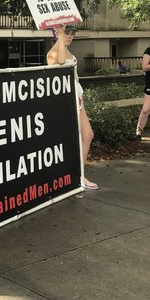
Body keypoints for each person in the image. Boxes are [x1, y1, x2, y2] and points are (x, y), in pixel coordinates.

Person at [47, 24, 99, 190]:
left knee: (88, 134)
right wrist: (60, 36)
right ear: (57, 32)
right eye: (67, 33)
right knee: (67, 139)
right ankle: (69, 177)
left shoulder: (67, 50)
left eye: (72, 33)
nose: (70, 36)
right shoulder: (53, 52)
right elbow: (61, 62)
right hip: (64, 99)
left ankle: (80, 175)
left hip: (76, 96)